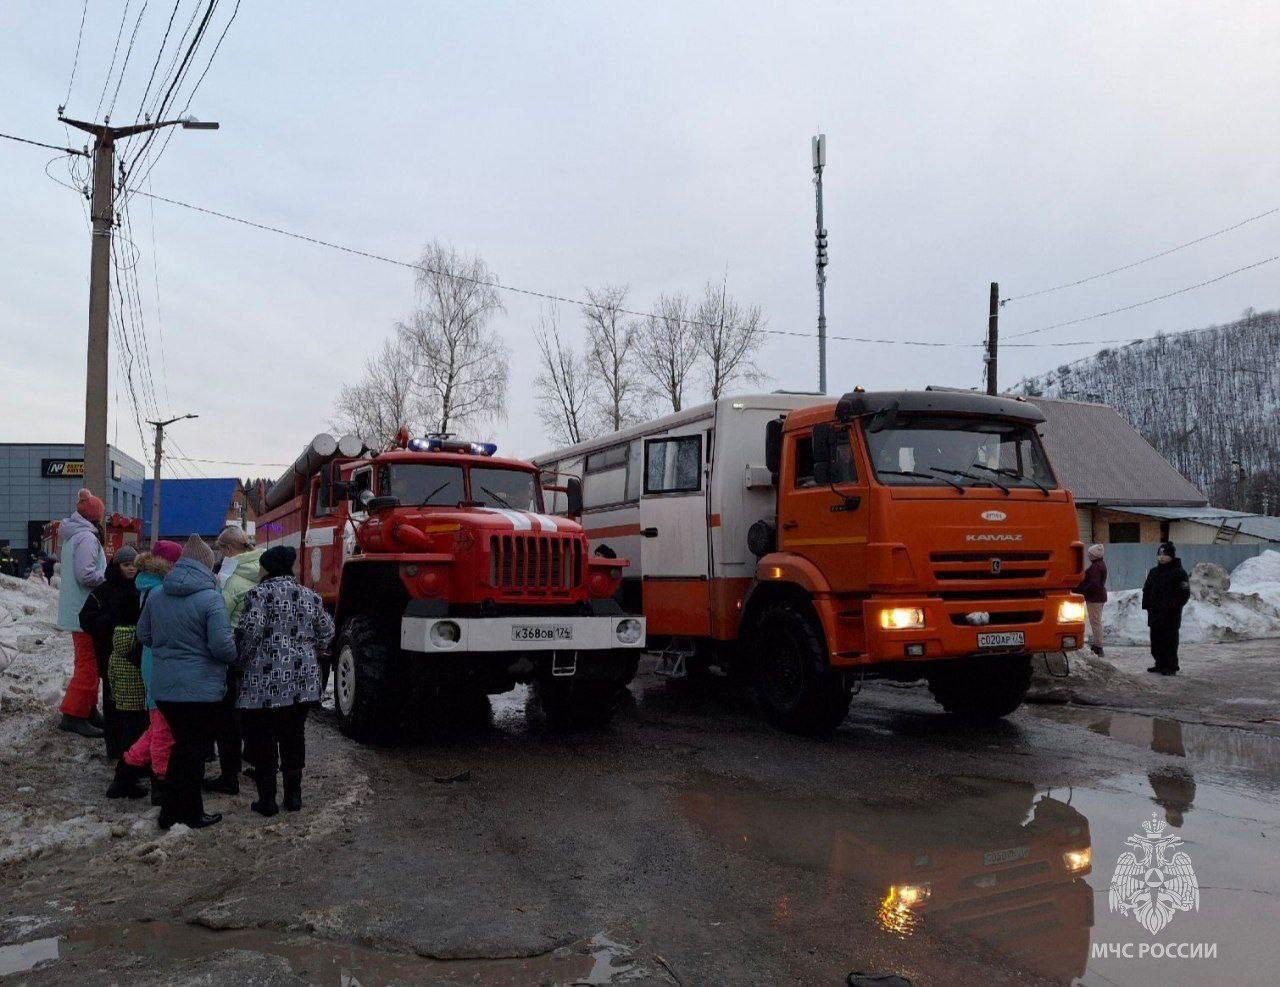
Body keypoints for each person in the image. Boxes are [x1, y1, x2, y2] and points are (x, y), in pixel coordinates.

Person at [136, 536, 237, 829]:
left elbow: (144, 636)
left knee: (182, 748)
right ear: (206, 564)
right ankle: (191, 813)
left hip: (166, 689)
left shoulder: (157, 595)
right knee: (191, 754)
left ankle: (171, 812)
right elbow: (222, 648)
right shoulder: (211, 598)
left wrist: (170, 648)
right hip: (201, 690)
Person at [236, 546, 334, 816]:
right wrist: (311, 648)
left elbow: (251, 632)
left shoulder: (259, 594)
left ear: (267, 568)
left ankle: (267, 801)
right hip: (301, 682)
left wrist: (240, 662)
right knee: (293, 736)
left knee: (264, 739)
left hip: (263, 682)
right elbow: (327, 631)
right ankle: (294, 797)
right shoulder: (310, 596)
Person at [202, 528, 266, 795]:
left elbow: (220, 615)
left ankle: (230, 776)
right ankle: (258, 761)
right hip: (259, 653)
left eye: (221, 550)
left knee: (228, 717)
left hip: (233, 651)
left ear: (228, 550)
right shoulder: (260, 568)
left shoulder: (232, 579)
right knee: (255, 712)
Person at [121, 541, 183, 805]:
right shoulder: (160, 589)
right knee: (162, 729)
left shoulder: (146, 584)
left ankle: (124, 772)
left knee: (159, 724)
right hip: (157, 660)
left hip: (152, 658)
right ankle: (159, 781)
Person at [79, 545, 141, 761]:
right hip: (109, 657)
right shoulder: (103, 591)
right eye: (126, 565)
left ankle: (135, 751)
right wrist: (110, 622)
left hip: (137, 659)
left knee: (136, 708)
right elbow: (85, 618)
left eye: (134, 564)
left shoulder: (143, 588)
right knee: (113, 705)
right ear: (117, 566)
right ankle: (115, 750)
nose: (131, 569)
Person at [56, 489, 108, 738]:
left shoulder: (73, 536)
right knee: (89, 664)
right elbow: (86, 574)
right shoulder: (87, 538)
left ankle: (87, 709)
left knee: (87, 662)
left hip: (77, 609)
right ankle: (74, 714)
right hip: (86, 611)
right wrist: (108, 579)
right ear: (96, 516)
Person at [1141, 541, 1191, 676]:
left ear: (1172, 556)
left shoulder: (1180, 573)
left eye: (1165, 555)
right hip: (1155, 614)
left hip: (1170, 615)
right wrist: (1147, 605)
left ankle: (1171, 666)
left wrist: (1173, 607)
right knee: (1156, 641)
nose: (1161, 557)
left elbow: (1184, 593)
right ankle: (1159, 663)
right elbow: (1146, 589)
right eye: (1159, 555)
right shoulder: (1153, 572)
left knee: (1169, 641)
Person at [1076, 543, 1108, 657]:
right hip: (1097, 596)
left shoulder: (1096, 567)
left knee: (1095, 622)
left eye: (1090, 554)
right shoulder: (1099, 565)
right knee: (1096, 621)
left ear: (1094, 555)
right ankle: (1097, 644)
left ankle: (1098, 646)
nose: (1088, 555)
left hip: (1095, 597)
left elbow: (1093, 583)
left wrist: (1083, 589)